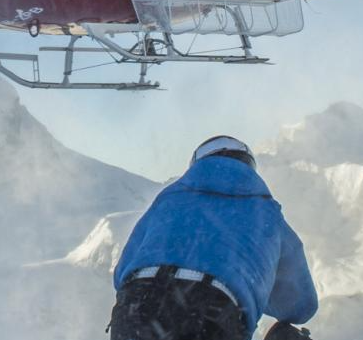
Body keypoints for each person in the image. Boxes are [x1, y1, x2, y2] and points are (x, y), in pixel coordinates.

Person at [111, 135, 318, 340]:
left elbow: (122, 272)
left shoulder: (167, 200)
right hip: (212, 313)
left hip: (136, 305)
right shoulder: (266, 212)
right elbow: (300, 305)